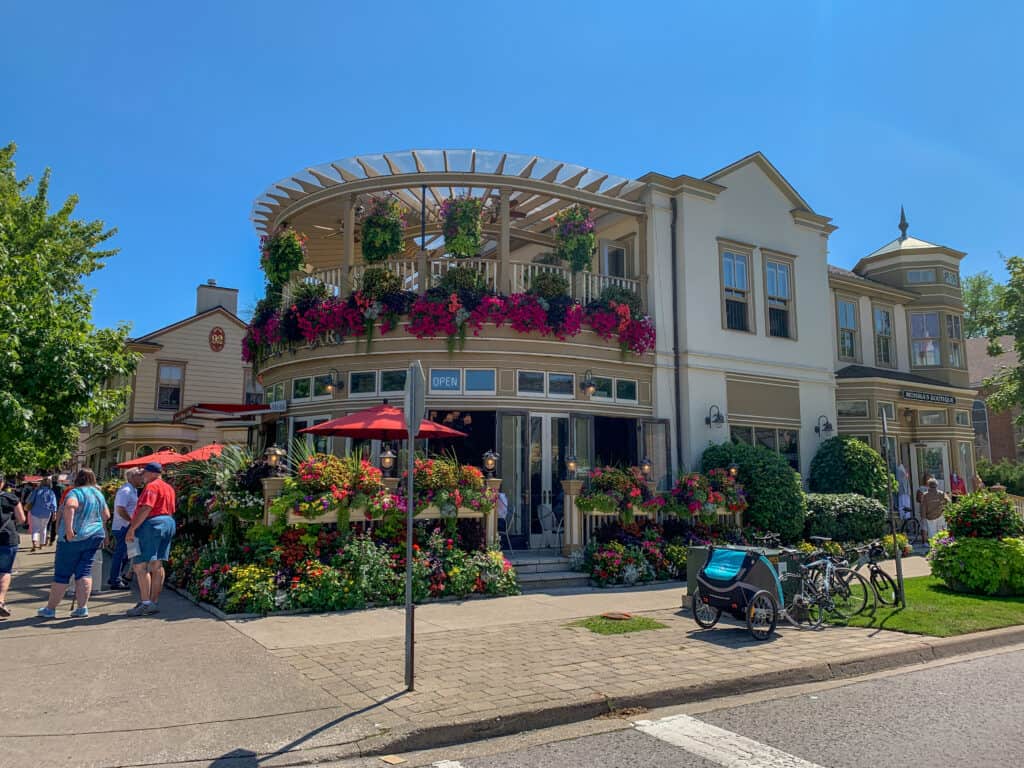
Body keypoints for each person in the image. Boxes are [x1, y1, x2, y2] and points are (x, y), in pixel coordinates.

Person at [36, 468, 110, 619]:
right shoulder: (98, 494)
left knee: (62, 574)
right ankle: (82, 608)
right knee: (84, 571)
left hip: (74, 538)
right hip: (94, 536)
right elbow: (106, 515)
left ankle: (50, 609)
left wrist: (69, 530)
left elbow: (70, 506)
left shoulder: (75, 492)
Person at [125, 462, 176, 616]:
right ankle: (153, 601)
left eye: (144, 473)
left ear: (152, 473)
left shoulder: (152, 487)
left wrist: (132, 528)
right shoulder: (169, 488)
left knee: (140, 565)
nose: (143, 476)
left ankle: (146, 602)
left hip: (151, 525)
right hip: (167, 523)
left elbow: (146, 507)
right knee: (157, 564)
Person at [109, 469, 144, 590]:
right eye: (140, 475)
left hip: (126, 526)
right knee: (122, 553)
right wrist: (132, 521)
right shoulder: (126, 490)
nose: (142, 477)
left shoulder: (132, 490)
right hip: (123, 526)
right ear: (132, 477)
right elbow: (120, 509)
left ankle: (117, 577)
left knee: (127, 553)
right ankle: (115, 580)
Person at [1, 473, 28, 618]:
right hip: (7, 538)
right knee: (4, 571)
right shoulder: (11, 498)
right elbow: (22, 519)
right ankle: (0, 600)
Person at [26, 477, 57, 552]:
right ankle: (41, 544)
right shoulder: (51, 492)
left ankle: (34, 543)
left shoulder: (36, 491)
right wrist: (54, 513)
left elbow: (29, 500)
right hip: (46, 513)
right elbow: (53, 504)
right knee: (43, 528)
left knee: (35, 528)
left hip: (35, 512)